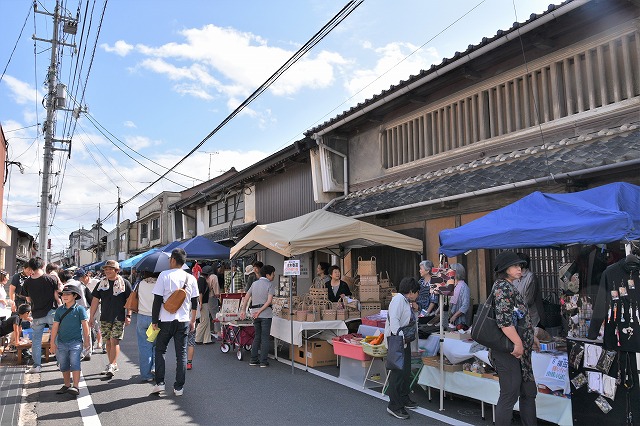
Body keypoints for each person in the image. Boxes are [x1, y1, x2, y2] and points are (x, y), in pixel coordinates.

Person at [489, 251, 536, 426]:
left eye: (521, 266)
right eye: (516, 266)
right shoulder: (502, 287)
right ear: (505, 269)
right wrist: (518, 342)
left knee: (528, 391)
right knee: (509, 394)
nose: (520, 269)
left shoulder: (508, 286)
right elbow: (504, 321)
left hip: (518, 349)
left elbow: (518, 317)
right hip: (508, 350)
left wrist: (531, 336)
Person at [150, 248, 199, 396]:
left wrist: (154, 321)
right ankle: (179, 387)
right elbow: (195, 301)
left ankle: (160, 383)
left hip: (165, 320)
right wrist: (193, 320)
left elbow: (157, 300)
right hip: (183, 320)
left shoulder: (164, 275)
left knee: (160, 350)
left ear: (172, 260)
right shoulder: (191, 278)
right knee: (181, 354)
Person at [88, 260, 132, 378]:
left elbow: (130, 301)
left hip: (119, 317)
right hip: (105, 316)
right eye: (105, 269)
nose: (107, 271)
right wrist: (91, 316)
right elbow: (95, 301)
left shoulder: (125, 283)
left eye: (110, 269)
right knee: (107, 342)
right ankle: (113, 364)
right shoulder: (101, 283)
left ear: (116, 271)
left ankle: (111, 364)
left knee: (114, 340)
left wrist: (129, 315)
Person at [385, 276, 420, 420]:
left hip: (404, 341)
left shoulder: (406, 301)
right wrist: (399, 337)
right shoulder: (398, 300)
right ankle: (394, 405)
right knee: (397, 373)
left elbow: (411, 320)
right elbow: (394, 320)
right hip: (398, 341)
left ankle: (404, 397)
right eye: (417, 292)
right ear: (411, 291)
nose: (417, 295)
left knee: (405, 371)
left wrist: (416, 310)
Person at [49, 284, 91, 396]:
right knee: (63, 364)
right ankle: (67, 385)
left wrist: (87, 340)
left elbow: (85, 326)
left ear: (75, 296)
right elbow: (55, 327)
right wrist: (52, 342)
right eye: (63, 294)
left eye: (68, 294)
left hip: (76, 342)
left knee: (75, 362)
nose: (65, 296)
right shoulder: (59, 311)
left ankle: (76, 386)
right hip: (62, 342)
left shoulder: (80, 309)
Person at [22, 257, 61, 373]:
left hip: (37, 313)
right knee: (56, 338)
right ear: (42, 266)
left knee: (36, 340)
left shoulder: (27, 282)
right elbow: (56, 295)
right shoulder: (50, 278)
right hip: (52, 312)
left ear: (30, 267)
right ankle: (60, 363)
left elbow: (28, 299)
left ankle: (37, 366)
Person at [239, 264, 275, 367]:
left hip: (254, 313)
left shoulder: (254, 284)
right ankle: (263, 361)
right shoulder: (270, 285)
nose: (273, 276)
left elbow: (246, 297)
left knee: (257, 336)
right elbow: (269, 301)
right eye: (273, 274)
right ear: (268, 275)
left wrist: (243, 310)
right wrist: (260, 311)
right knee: (265, 338)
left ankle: (253, 359)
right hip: (266, 314)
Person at [136, 271, 157, 382]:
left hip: (142, 317)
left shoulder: (140, 284)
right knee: (157, 346)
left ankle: (146, 375)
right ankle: (155, 368)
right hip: (155, 318)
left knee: (144, 347)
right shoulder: (160, 284)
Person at [514, 252, 543, 329]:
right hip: (519, 317)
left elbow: (528, 301)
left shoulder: (530, 277)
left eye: (515, 264)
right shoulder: (515, 278)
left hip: (531, 317)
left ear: (521, 265)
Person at [447, 263, 472, 328]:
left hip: (461, 321)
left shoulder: (464, 287)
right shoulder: (453, 286)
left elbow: (465, 305)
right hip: (452, 320)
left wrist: (454, 316)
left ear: (455, 272)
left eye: (450, 271)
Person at [195, 266, 214, 345]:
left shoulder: (201, 279)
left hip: (203, 302)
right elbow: (200, 293)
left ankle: (207, 339)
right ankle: (197, 338)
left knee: (206, 320)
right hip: (203, 303)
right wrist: (201, 303)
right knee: (204, 321)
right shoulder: (202, 280)